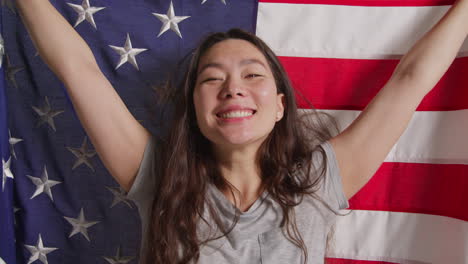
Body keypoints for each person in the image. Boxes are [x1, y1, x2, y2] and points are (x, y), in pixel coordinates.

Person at [16, 0, 468, 264]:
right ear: (194, 109)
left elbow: (410, 80)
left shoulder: (320, 180)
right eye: (212, 79)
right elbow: (79, 71)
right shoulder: (157, 176)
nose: (233, 88)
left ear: (279, 107)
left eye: (253, 76)